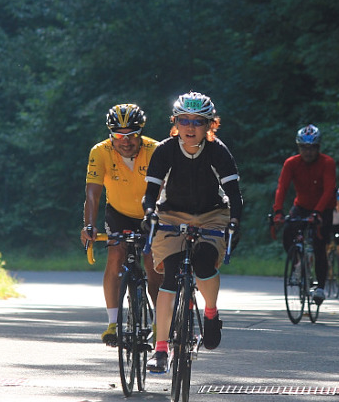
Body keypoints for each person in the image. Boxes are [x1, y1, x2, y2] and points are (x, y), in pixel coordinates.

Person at [142, 92, 242, 373]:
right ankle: (161, 349)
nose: (190, 127)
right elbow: (150, 193)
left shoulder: (218, 151)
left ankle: (211, 312)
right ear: (175, 123)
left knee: (203, 262)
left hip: (212, 213)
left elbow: (234, 194)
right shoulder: (165, 150)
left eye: (198, 122)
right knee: (171, 274)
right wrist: (150, 213)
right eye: (184, 120)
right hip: (172, 213)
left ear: (211, 125)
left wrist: (234, 221)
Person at [80, 103, 162, 346]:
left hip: (151, 212)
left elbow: (166, 190)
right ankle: (113, 324)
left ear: (140, 135)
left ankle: (159, 320)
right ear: (110, 135)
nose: (125, 142)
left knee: (152, 261)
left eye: (132, 136)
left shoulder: (156, 149)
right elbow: (93, 194)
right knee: (115, 255)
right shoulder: (100, 151)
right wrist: (88, 226)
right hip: (119, 212)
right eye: (119, 136)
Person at [272, 124, 336, 304]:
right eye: (304, 148)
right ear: (298, 147)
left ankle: (320, 288)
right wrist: (278, 211)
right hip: (301, 205)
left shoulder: (327, 163)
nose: (308, 152)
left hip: (324, 208)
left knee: (319, 244)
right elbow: (282, 188)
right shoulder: (291, 163)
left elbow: (329, 189)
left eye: (312, 148)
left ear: (318, 148)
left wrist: (317, 212)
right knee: (287, 234)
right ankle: (298, 264)